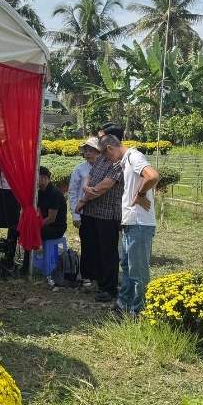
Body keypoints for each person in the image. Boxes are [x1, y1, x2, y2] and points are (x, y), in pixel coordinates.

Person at [100, 134, 159, 316]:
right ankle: (124, 304)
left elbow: (153, 176)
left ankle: (139, 310)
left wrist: (140, 195)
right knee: (127, 266)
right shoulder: (126, 161)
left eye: (106, 156)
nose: (108, 160)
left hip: (140, 224)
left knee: (137, 271)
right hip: (130, 223)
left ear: (110, 148)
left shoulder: (134, 156)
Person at [77, 123, 125, 303]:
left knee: (108, 251)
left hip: (107, 213)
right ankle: (96, 279)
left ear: (112, 140)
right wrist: (86, 187)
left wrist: (86, 195)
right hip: (91, 210)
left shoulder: (119, 162)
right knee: (92, 246)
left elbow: (105, 185)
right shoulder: (101, 158)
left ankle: (109, 287)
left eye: (101, 137)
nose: (99, 141)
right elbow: (90, 175)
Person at [67, 137, 101, 287]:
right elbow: (73, 192)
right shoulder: (80, 169)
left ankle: (99, 274)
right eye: (86, 150)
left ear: (99, 152)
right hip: (84, 211)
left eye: (91, 150)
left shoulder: (105, 168)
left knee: (101, 244)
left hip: (101, 212)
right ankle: (86, 275)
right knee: (87, 244)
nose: (88, 153)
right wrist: (75, 214)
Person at [36, 166, 67, 286]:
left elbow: (51, 218)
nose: (39, 181)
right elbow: (38, 212)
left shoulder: (54, 193)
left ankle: (45, 265)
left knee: (35, 232)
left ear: (45, 179)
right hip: (45, 224)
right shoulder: (39, 192)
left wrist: (36, 227)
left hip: (56, 227)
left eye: (41, 178)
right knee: (19, 230)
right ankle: (28, 263)